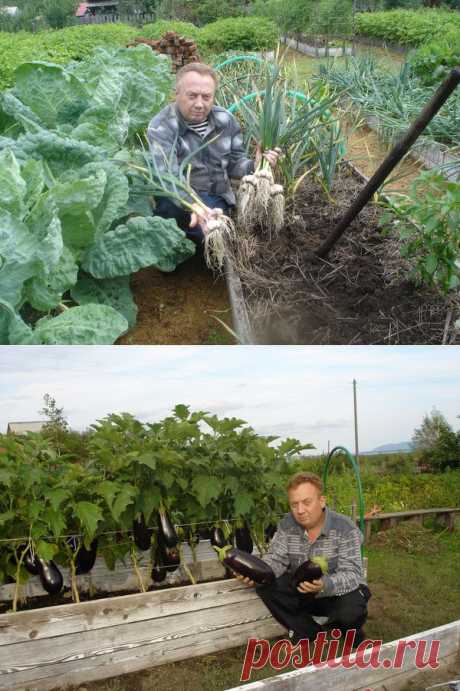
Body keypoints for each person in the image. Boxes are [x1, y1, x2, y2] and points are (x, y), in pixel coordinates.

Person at [147, 62, 281, 244]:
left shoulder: (226, 120)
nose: (200, 104)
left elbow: (235, 164)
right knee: (181, 226)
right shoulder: (162, 126)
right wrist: (193, 205)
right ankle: (172, 247)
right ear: (177, 93)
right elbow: (167, 176)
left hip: (217, 196)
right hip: (179, 198)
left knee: (215, 236)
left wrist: (254, 165)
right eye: (192, 96)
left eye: (206, 97)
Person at [235, 472, 371, 646]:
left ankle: (350, 630)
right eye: (294, 504)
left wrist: (324, 584)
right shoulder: (287, 524)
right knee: (265, 586)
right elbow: (276, 559)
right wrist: (256, 573)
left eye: (307, 502)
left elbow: (352, 574)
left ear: (322, 501)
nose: (300, 510)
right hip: (303, 591)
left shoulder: (345, 528)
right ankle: (307, 630)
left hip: (338, 594)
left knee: (350, 613)